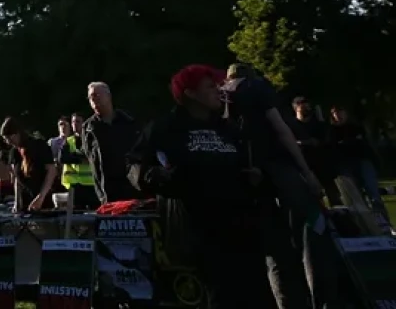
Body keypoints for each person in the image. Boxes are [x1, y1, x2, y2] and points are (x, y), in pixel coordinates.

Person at [126, 65, 276, 309]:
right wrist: (154, 176)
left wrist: (257, 175)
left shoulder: (228, 128)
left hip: (242, 228)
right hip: (196, 231)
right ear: (190, 94)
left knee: (255, 295)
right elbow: (135, 165)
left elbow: (246, 163)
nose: (218, 90)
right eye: (210, 86)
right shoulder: (166, 127)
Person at [224, 63, 327, 309]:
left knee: (274, 252)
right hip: (280, 170)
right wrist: (307, 172)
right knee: (310, 238)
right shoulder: (258, 88)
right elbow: (281, 129)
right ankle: (321, 301)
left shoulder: (220, 95)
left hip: (247, 177)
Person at [83, 82, 141, 204]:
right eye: (90, 97)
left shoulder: (128, 122)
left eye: (96, 95)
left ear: (108, 96)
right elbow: (91, 159)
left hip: (133, 190)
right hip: (107, 194)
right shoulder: (89, 128)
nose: (93, 100)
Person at [330, 106, 389, 222]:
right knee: (356, 198)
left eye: (340, 111)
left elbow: (366, 146)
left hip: (362, 161)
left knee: (373, 194)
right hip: (345, 165)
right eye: (335, 113)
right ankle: (367, 224)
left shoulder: (356, 128)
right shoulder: (331, 132)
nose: (338, 115)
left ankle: (384, 222)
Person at [0, 117, 60, 212]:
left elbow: (52, 172)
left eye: (9, 138)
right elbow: (17, 179)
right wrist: (17, 202)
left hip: (44, 200)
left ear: (17, 134)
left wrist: (41, 197)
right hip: (25, 203)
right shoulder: (14, 153)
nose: (8, 142)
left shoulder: (39, 146)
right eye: (6, 139)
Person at [290, 97, 342, 206]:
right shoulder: (291, 125)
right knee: (313, 197)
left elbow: (320, 142)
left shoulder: (318, 124)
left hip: (322, 164)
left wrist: (303, 143)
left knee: (333, 195)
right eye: (303, 106)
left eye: (307, 106)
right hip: (304, 164)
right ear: (296, 108)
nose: (306, 109)